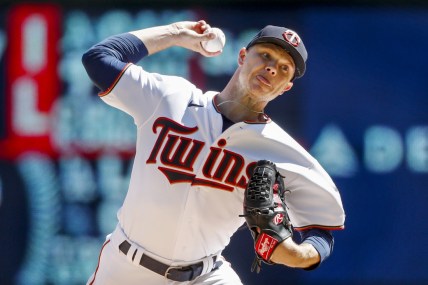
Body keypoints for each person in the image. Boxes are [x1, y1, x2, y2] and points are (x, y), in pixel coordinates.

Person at [82, 20, 345, 285]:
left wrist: (301, 255)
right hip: (126, 268)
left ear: (286, 86)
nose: (271, 68)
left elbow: (322, 230)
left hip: (205, 275)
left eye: (284, 68)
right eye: (265, 55)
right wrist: (174, 34)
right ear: (242, 56)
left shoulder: (284, 152)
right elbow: (99, 59)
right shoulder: (170, 98)